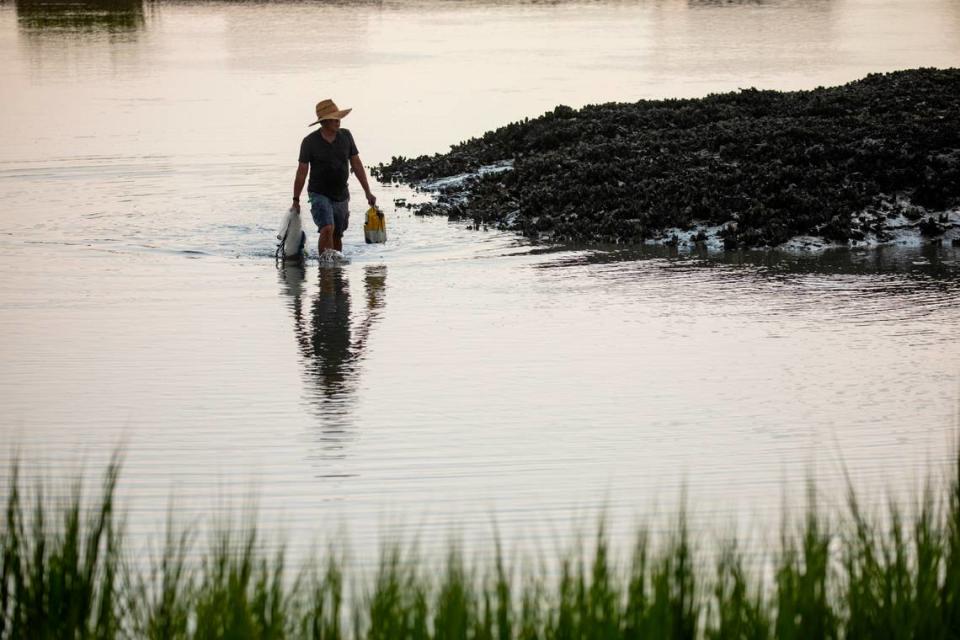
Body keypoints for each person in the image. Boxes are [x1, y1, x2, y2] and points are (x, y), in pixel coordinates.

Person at [292, 99, 377, 255]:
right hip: (318, 193)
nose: (338, 121)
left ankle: (336, 272)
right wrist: (296, 200)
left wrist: (367, 192)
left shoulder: (346, 136)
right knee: (327, 228)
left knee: (337, 233)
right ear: (324, 122)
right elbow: (301, 172)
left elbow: (356, 164)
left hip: (341, 194)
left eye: (339, 117)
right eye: (334, 118)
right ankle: (324, 269)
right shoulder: (309, 142)